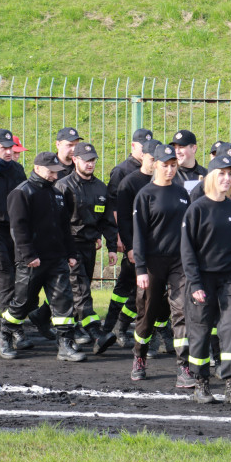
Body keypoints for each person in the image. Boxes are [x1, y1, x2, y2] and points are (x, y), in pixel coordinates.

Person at [0, 152, 84, 362]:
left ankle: (65, 345)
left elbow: (64, 227)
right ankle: (4, 336)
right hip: (32, 260)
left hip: (57, 258)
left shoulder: (57, 194)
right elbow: (18, 228)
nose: (54, 175)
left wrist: (70, 253)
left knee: (63, 301)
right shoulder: (22, 193)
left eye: (56, 172)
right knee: (23, 302)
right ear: (37, 168)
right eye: (50, 171)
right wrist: (28, 255)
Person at [181, 153, 231, 404]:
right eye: (222, 173)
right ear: (211, 176)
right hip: (203, 280)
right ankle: (201, 384)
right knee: (201, 331)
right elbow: (187, 249)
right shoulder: (197, 208)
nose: (227, 178)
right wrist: (195, 284)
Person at [0, 128, 52, 341]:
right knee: (3, 278)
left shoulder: (17, 169)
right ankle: (13, 331)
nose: (8, 152)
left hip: (14, 229)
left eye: (10, 148)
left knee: (18, 278)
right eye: (3, 148)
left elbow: (27, 199)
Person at [130, 143, 191, 384]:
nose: (169, 170)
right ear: (155, 164)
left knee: (182, 312)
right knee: (148, 313)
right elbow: (139, 234)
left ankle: (183, 366)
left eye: (173, 166)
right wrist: (141, 269)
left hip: (179, 262)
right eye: (165, 166)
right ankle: (139, 356)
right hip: (153, 263)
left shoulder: (182, 193)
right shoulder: (145, 195)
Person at [55, 141, 119, 355]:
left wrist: (111, 246)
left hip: (90, 246)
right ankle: (95, 332)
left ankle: (66, 331)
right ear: (75, 160)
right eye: (86, 160)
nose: (90, 164)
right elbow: (56, 221)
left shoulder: (101, 188)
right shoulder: (63, 186)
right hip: (69, 246)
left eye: (93, 160)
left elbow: (107, 221)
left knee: (80, 289)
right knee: (80, 290)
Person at [102, 128, 154, 341]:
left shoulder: (158, 174)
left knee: (141, 288)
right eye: (143, 146)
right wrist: (120, 238)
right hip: (131, 237)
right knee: (125, 284)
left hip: (150, 242)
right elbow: (115, 207)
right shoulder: (123, 172)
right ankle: (109, 328)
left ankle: (121, 325)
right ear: (134, 146)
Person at [172, 129, 206, 195]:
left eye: (181, 147)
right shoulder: (170, 174)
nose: (177, 152)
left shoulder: (206, 174)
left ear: (193, 148)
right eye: (175, 148)